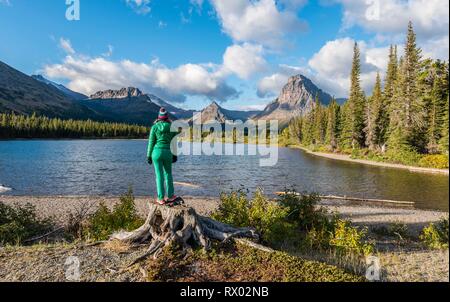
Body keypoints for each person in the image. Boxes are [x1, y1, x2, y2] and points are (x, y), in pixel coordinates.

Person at [147, 108, 179, 205]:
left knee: (159, 175)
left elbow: (151, 142)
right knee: (168, 174)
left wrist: (148, 156)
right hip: (168, 152)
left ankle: (160, 198)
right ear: (167, 117)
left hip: (156, 153)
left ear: (159, 117)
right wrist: (175, 155)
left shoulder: (154, 127)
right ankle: (170, 196)